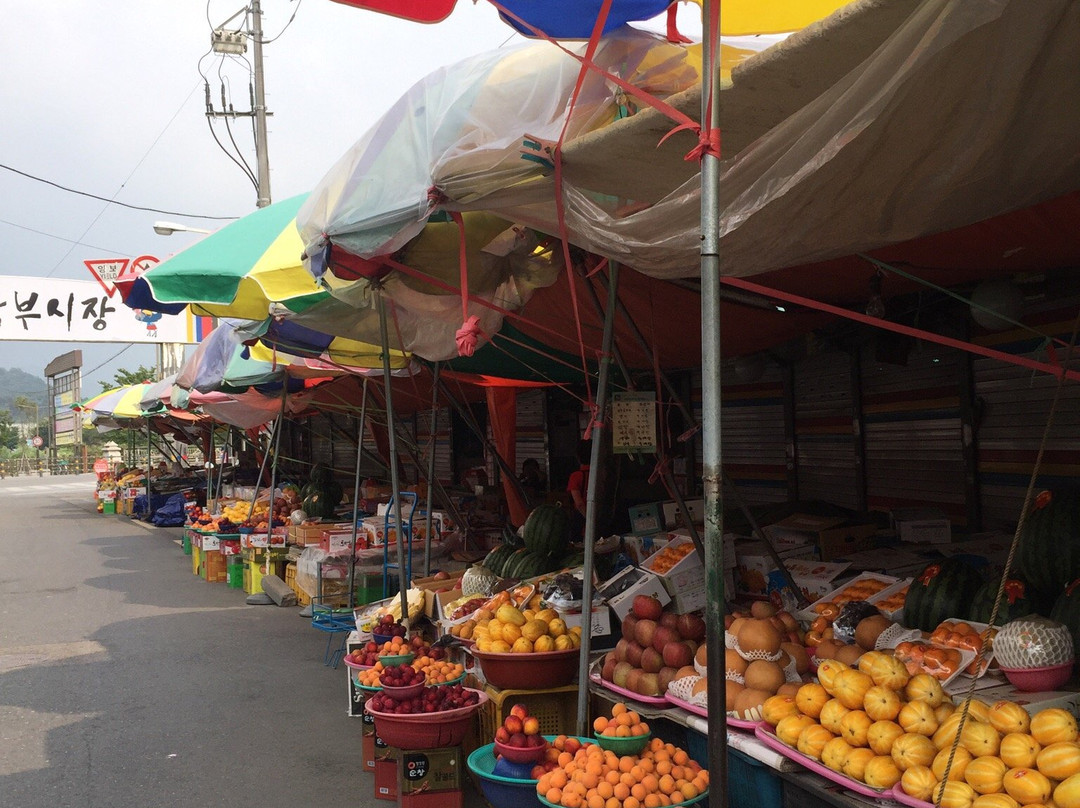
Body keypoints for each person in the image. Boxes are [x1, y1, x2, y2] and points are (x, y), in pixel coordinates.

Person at [566, 439, 591, 540]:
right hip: (599, 513)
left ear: (578, 457)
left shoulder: (576, 476)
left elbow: (579, 504)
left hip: (582, 517)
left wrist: (589, 520)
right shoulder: (600, 475)